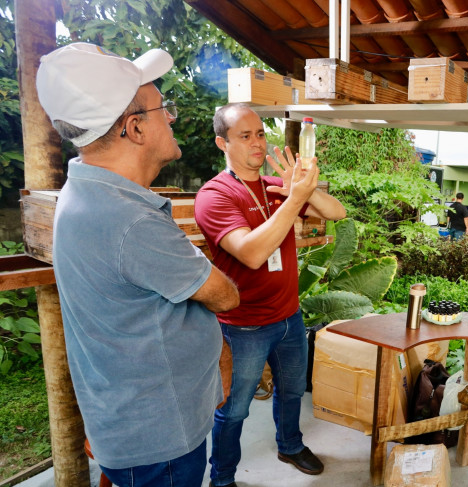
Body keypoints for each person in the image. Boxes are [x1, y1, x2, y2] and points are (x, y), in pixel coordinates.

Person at [37, 43, 240, 486]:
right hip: (159, 440)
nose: (170, 116)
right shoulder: (131, 221)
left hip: (130, 421)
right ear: (134, 127)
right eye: (162, 107)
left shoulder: (88, 193)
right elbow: (225, 295)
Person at [194, 103, 346, 486]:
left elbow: (336, 212)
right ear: (221, 143)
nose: (257, 143)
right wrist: (296, 198)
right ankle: (223, 478)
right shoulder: (214, 196)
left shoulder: (275, 187)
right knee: (234, 410)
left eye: (260, 133)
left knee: (293, 390)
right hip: (243, 327)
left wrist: (304, 187)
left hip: (289, 317)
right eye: (244, 136)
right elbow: (251, 252)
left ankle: (290, 445)